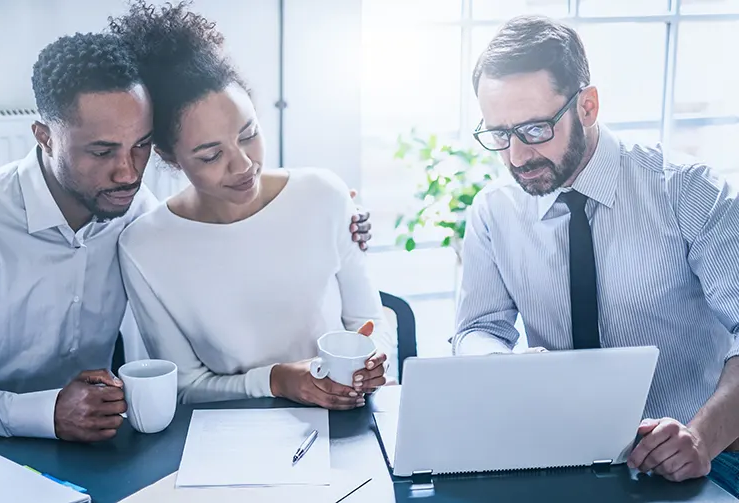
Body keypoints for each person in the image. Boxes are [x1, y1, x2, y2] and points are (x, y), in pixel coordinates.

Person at [0, 33, 371, 441]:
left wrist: (342, 219)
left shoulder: (133, 214)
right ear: (45, 137)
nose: (128, 173)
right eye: (102, 151)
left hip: (99, 439)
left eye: (140, 145)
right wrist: (43, 413)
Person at [452, 15, 739, 487]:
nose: (516, 157)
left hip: (693, 456)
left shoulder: (687, 191)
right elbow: (479, 328)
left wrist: (700, 438)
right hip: (553, 456)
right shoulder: (493, 212)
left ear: (587, 106)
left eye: (535, 129)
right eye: (499, 135)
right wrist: (499, 366)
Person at [110, 1, 394, 410]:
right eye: (210, 155)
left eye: (249, 134)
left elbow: (369, 321)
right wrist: (275, 381)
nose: (243, 165)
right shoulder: (143, 248)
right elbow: (184, 386)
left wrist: (372, 360)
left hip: (344, 423)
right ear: (171, 157)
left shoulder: (324, 194)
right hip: (228, 436)